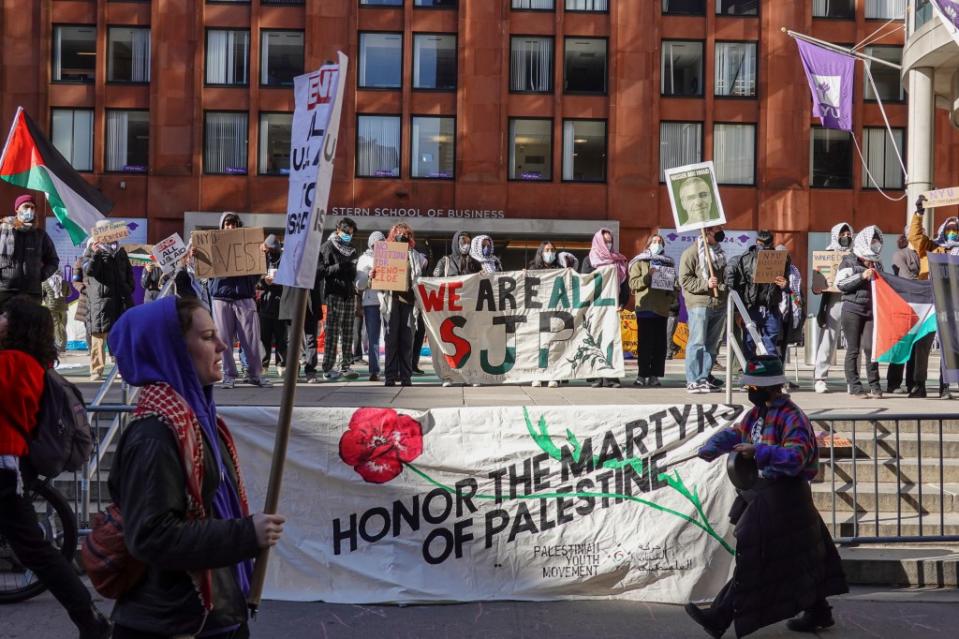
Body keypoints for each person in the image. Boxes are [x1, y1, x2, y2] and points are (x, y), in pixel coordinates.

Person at [105, 295, 285, 638]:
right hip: (171, 623)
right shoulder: (155, 435)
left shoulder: (199, 420)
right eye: (206, 338)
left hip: (210, 615)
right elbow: (152, 535)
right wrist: (246, 534)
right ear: (170, 349)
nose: (221, 345)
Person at [685, 355, 848, 638]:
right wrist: (712, 447)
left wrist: (759, 452)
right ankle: (818, 610)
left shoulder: (792, 417)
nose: (751, 392)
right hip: (765, 491)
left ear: (773, 387)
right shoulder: (756, 415)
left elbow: (797, 457)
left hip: (787, 492)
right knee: (799, 557)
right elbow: (736, 434)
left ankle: (719, 616)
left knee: (754, 555)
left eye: (755, 387)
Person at [0, 296, 112, 638]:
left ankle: (88, 617)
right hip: (11, 463)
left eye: (5, 315)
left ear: (17, 326)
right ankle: (88, 616)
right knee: (34, 548)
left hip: (5, 462)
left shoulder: (14, 362)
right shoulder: (32, 363)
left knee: (35, 549)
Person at [908, 195, 954, 398]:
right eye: (949, 229)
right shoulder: (932, 247)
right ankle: (919, 384)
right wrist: (918, 214)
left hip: (952, 303)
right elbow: (915, 237)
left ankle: (945, 386)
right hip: (930, 302)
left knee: (949, 345)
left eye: (956, 230)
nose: (952, 233)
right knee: (922, 344)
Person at [836, 225, 885, 399]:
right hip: (852, 310)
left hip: (871, 310)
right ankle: (855, 386)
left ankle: (875, 385)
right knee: (853, 349)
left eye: (877, 242)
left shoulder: (877, 263)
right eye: (872, 242)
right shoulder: (849, 261)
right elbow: (840, 284)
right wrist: (861, 276)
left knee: (872, 349)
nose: (875, 245)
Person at [726, 230, 790, 360]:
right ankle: (750, 375)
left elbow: (788, 285)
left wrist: (785, 285)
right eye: (762, 244)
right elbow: (738, 285)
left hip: (771, 308)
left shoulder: (780, 260)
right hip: (751, 307)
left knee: (771, 346)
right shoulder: (745, 259)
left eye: (768, 244)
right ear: (756, 242)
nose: (765, 247)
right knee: (749, 343)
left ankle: (770, 376)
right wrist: (739, 311)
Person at [83, 224, 135, 382]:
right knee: (98, 337)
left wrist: (128, 287)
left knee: (120, 337)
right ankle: (96, 370)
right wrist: (96, 253)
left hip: (120, 300)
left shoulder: (120, 251)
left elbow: (128, 271)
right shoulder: (92, 250)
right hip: (101, 302)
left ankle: (121, 368)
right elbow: (90, 271)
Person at [679, 225, 728, 394]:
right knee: (697, 342)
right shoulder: (691, 253)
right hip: (699, 303)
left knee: (712, 344)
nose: (721, 231)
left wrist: (723, 288)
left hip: (718, 303)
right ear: (707, 231)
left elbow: (722, 278)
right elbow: (684, 280)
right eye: (717, 229)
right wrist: (704, 284)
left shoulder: (719, 254)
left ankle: (704, 376)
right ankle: (693, 379)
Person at [374, 223, 424, 387]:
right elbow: (375, 281)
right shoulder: (385, 253)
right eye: (399, 233)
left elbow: (419, 277)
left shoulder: (415, 256)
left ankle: (405, 377)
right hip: (391, 302)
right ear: (392, 235)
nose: (403, 236)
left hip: (409, 303)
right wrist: (372, 276)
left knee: (406, 341)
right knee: (391, 340)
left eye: (406, 234)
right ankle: (390, 376)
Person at [581, 227, 629, 388]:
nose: (608, 244)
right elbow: (585, 283)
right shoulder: (589, 260)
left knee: (611, 341)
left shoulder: (619, 260)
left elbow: (624, 284)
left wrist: (622, 303)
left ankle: (611, 378)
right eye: (605, 241)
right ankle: (596, 377)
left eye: (610, 241)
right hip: (595, 308)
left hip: (612, 308)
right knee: (595, 341)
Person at [628, 234, 677, 388]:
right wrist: (648, 277)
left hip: (662, 309)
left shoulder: (668, 263)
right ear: (648, 244)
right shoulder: (640, 261)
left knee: (659, 345)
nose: (657, 244)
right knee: (645, 344)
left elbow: (674, 286)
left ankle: (655, 375)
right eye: (654, 242)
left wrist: (672, 294)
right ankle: (642, 375)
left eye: (660, 242)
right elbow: (633, 283)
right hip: (645, 309)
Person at [813, 223, 854, 394]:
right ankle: (820, 378)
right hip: (834, 301)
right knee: (828, 338)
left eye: (848, 233)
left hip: (852, 299)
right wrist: (817, 283)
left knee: (853, 341)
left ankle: (853, 379)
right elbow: (817, 285)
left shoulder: (856, 255)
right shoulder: (827, 255)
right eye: (842, 233)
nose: (845, 236)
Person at [318, 218, 360, 381]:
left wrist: (353, 269)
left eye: (351, 233)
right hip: (334, 293)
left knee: (348, 332)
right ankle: (328, 368)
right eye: (346, 231)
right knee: (333, 332)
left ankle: (345, 366)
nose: (348, 235)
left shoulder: (352, 249)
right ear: (338, 229)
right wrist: (340, 267)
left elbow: (354, 273)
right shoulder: (327, 246)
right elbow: (322, 271)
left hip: (349, 294)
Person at [0, 194, 59, 309]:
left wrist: (41, 275)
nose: (30, 210)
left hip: (31, 293)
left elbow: (53, 260)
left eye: (33, 208)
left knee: (29, 326)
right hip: (5, 291)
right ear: (17, 209)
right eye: (26, 206)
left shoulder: (40, 235)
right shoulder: (2, 230)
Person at [886, 231, 925, 396]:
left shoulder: (921, 255)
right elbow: (905, 277)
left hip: (920, 304)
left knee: (916, 346)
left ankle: (912, 383)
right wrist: (921, 282)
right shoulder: (899, 255)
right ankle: (893, 382)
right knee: (902, 344)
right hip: (904, 303)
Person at [528, 240, 563, 388]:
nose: (550, 253)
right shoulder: (533, 268)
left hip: (554, 311)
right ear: (541, 252)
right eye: (547, 250)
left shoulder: (560, 268)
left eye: (552, 250)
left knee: (553, 343)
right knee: (538, 344)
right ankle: (537, 374)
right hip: (537, 312)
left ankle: (552, 375)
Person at [355, 231, 387, 382]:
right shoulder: (364, 259)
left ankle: (392, 369)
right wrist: (369, 276)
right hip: (371, 302)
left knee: (390, 336)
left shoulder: (391, 257)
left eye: (382, 243)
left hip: (387, 301)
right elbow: (359, 285)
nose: (379, 247)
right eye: (376, 244)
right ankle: (374, 371)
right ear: (371, 245)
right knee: (373, 338)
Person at [255, 234, 286, 378]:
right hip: (265, 304)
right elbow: (256, 279)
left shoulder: (285, 259)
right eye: (268, 249)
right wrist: (264, 281)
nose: (270, 252)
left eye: (272, 249)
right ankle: (264, 365)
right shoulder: (262, 260)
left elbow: (290, 280)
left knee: (281, 338)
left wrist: (280, 281)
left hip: (281, 303)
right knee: (264, 338)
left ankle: (282, 364)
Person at [777, 244, 804, 390]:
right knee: (774, 348)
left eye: (786, 255)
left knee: (783, 347)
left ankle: (781, 376)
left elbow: (798, 292)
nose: (784, 259)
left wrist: (801, 312)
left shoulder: (794, 271)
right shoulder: (771, 271)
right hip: (776, 313)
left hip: (791, 314)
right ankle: (775, 379)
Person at [41, 271, 71, 353]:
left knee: (55, 326)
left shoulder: (45, 282)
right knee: (63, 326)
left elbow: (42, 295)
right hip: (63, 307)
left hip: (51, 307)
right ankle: (63, 346)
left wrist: (46, 300)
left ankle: (58, 345)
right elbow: (69, 294)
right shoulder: (64, 282)